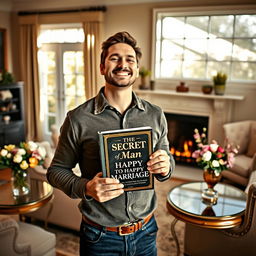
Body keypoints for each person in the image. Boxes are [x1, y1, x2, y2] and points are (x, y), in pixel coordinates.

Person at [47, 31, 175, 256]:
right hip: (100, 237)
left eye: (130, 59)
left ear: (136, 68)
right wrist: (86, 187)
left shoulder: (155, 115)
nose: (123, 64)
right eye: (115, 58)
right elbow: (56, 171)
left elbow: (166, 161)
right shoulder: (78, 118)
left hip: (146, 232)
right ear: (102, 67)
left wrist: (166, 165)